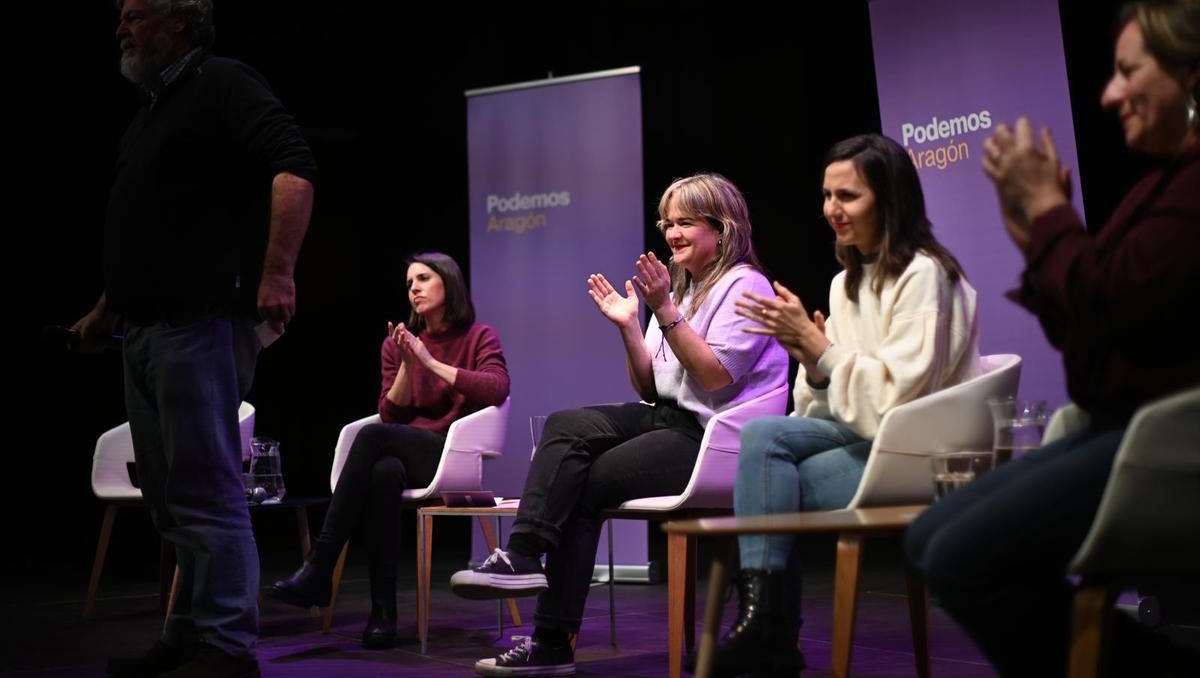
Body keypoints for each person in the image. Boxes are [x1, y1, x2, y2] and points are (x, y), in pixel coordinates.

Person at [905, 0, 1200, 677]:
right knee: (927, 540)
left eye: (1129, 71)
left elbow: (1116, 305)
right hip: (1114, 426)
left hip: (1158, 440)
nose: (1109, 95)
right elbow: (1096, 335)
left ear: (1191, 72)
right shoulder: (1160, 185)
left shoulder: (1191, 191)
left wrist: (1047, 215)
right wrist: (1035, 232)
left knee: (958, 555)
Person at [72, 0, 317, 678]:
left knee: (207, 490)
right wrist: (104, 310)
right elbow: (143, 228)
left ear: (179, 21)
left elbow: (294, 167)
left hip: (201, 323)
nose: (121, 27)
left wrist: (277, 271)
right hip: (144, 330)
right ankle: (186, 638)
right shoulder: (152, 111)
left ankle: (228, 646)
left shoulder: (224, 83)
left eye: (136, 16)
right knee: (171, 501)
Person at [449, 173, 788, 676]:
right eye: (666, 223)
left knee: (583, 486)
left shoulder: (745, 285)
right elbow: (649, 388)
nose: (671, 233)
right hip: (667, 417)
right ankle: (522, 556)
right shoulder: (680, 287)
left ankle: (550, 641)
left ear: (722, 228)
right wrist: (631, 326)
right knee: (567, 424)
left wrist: (664, 310)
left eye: (685, 223)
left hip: (713, 438)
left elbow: (715, 376)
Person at [706, 133, 981, 677]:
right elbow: (827, 403)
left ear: (890, 198)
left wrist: (820, 350)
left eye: (848, 196)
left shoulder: (925, 275)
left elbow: (901, 402)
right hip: (867, 434)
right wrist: (810, 362)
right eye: (827, 195)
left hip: (919, 448)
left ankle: (771, 629)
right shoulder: (843, 285)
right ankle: (767, 628)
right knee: (763, 438)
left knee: (765, 488)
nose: (832, 209)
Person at [265, 252, 510, 649]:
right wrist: (410, 367)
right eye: (409, 281)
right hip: (408, 451)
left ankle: (320, 567)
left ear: (449, 284)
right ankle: (382, 614)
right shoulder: (397, 345)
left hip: (451, 453)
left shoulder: (479, 336)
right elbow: (389, 412)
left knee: (372, 440)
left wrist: (430, 362)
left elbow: (496, 388)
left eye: (423, 278)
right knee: (382, 473)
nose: (413, 287)